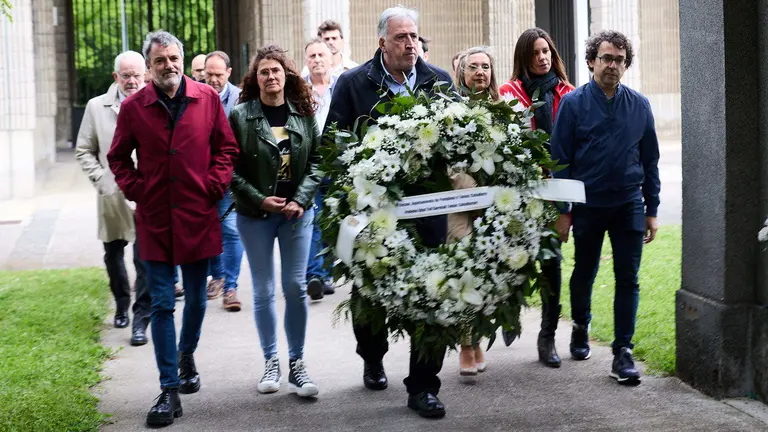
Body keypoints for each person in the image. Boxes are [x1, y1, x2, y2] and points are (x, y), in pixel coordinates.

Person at [325, 5, 453, 419]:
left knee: (432, 296)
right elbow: (334, 143)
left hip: (430, 211)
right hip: (376, 212)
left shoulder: (440, 82)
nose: (410, 43)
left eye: (414, 36)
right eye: (401, 37)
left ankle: (424, 387)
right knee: (371, 301)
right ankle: (372, 353)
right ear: (382, 42)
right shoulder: (353, 83)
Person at [108, 30, 238, 426]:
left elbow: (226, 149)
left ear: (183, 60)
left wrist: (213, 186)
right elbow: (117, 159)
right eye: (160, 60)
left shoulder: (207, 98)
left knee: (198, 300)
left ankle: (187, 355)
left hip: (198, 215)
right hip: (156, 219)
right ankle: (168, 390)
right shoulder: (134, 107)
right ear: (149, 67)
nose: (169, 66)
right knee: (163, 303)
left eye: (174, 58)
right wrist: (139, 190)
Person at [550, 30, 660, 386]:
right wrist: (563, 210)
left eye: (619, 60)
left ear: (626, 65)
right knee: (584, 270)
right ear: (591, 61)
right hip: (588, 205)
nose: (612, 65)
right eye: (606, 58)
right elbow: (559, 160)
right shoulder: (573, 104)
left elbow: (650, 161)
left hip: (628, 202)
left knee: (628, 278)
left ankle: (622, 352)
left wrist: (651, 208)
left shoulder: (640, 105)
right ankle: (581, 324)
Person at [228, 44, 322, 398]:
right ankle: (271, 361)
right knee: (264, 289)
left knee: (295, 287)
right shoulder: (240, 116)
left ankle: (297, 363)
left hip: (297, 214)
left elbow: (318, 161)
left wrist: (301, 198)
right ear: (256, 78)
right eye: (264, 72)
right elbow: (229, 169)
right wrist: (259, 198)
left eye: (277, 71)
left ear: (287, 76)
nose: (271, 77)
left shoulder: (302, 113)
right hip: (255, 215)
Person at [498, 28, 574, 368]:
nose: (542, 58)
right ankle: (509, 311)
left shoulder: (567, 94)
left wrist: (565, 208)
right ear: (524, 58)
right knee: (514, 259)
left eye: (546, 51)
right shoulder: (509, 93)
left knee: (552, 263)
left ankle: (548, 337)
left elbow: (574, 151)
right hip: (518, 193)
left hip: (555, 192)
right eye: (535, 53)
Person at [75, 50, 150, 347]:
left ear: (145, 75)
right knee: (113, 252)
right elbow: (84, 150)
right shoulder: (96, 107)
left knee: (145, 257)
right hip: (113, 193)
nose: (132, 81)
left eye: (136, 75)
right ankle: (121, 304)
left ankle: (141, 316)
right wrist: (102, 181)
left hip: (146, 194)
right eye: (126, 75)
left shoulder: (155, 102)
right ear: (115, 77)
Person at [451, 46, 500, 378]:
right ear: (462, 73)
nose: (480, 72)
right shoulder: (450, 110)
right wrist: (469, 185)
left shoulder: (503, 110)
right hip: (458, 203)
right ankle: (465, 345)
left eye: (485, 67)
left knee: (487, 271)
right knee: (464, 270)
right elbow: (444, 159)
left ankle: (478, 336)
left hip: (494, 203)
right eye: (473, 67)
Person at [202, 50, 244, 311]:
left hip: (231, 175)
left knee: (229, 229)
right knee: (209, 228)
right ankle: (217, 277)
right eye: (209, 74)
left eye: (218, 74)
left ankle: (231, 286)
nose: (214, 79)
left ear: (228, 73)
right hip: (203, 176)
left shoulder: (240, 99)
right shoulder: (197, 95)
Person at [302, 38, 337, 300]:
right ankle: (314, 275)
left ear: (330, 58)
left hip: (336, 163)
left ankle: (326, 274)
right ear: (306, 61)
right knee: (313, 219)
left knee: (331, 220)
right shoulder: (299, 91)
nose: (317, 59)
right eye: (312, 55)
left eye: (321, 54)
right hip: (310, 164)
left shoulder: (341, 87)